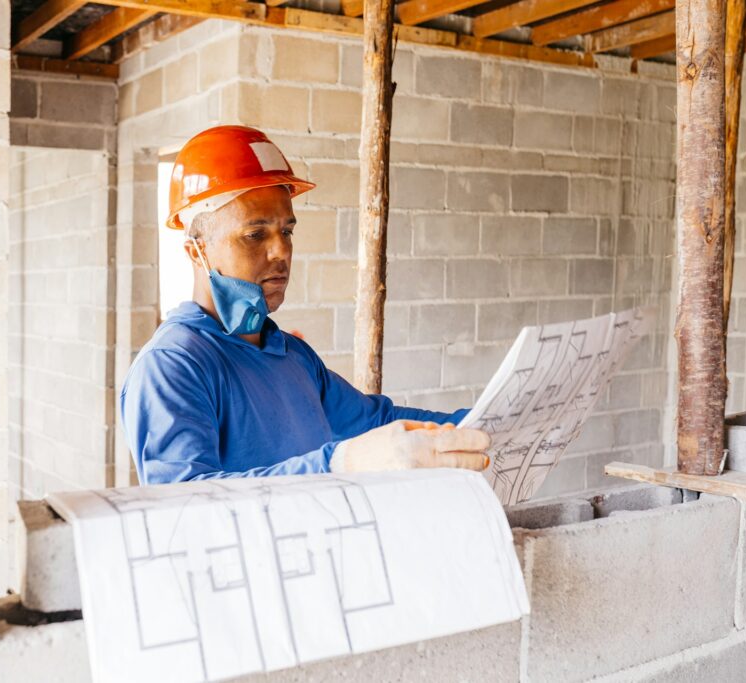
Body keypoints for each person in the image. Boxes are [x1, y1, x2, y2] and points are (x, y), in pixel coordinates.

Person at [120, 125, 490, 485]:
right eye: (255, 234)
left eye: (287, 231)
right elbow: (185, 508)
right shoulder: (173, 365)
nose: (281, 251)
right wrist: (341, 462)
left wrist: (485, 422)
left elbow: (378, 420)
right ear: (196, 252)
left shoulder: (292, 355)